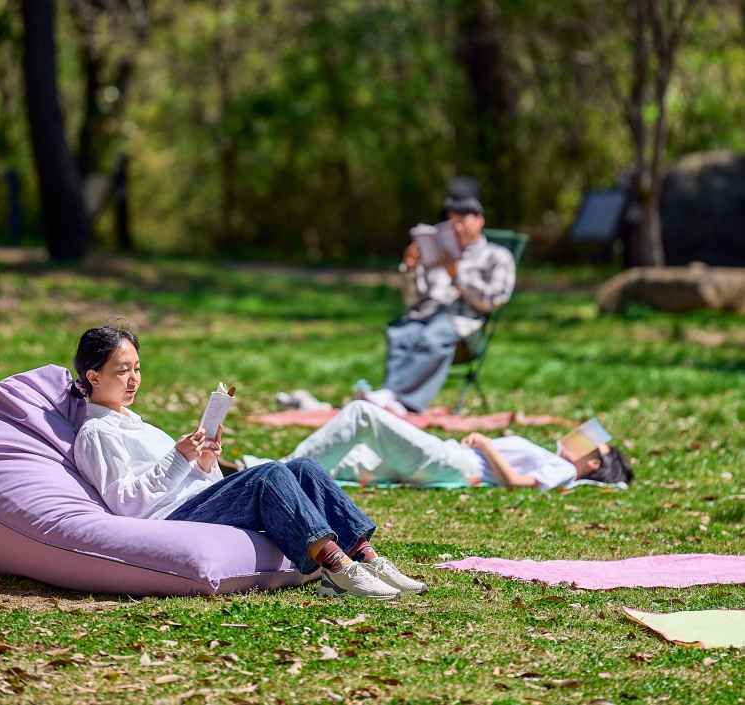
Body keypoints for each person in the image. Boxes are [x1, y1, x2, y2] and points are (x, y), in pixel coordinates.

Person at [69, 325, 427, 600]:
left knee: (302, 468)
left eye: (137, 369)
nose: (133, 380)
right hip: (168, 520)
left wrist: (204, 462)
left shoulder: (134, 422)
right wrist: (179, 458)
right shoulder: (97, 433)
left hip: (191, 504)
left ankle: (366, 557)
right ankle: (336, 567)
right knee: (267, 474)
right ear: (93, 376)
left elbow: (187, 482)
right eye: (121, 371)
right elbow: (127, 504)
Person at [362, 196, 516, 415]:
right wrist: (410, 267)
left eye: (462, 220)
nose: (457, 227)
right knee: (401, 332)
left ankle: (396, 398)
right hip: (427, 316)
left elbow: (493, 300)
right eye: (451, 223)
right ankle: (394, 400)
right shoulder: (436, 255)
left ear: (480, 220)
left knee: (435, 334)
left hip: (465, 323)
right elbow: (412, 300)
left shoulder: (497, 256)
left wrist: (458, 275)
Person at [286, 401, 633, 490]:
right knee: (347, 459)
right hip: (450, 459)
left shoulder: (565, 469)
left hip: (452, 461)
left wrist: (485, 444)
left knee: (364, 415)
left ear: (591, 466)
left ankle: (280, 473)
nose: (584, 439)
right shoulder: (556, 460)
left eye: (594, 448)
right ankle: (260, 473)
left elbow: (517, 484)